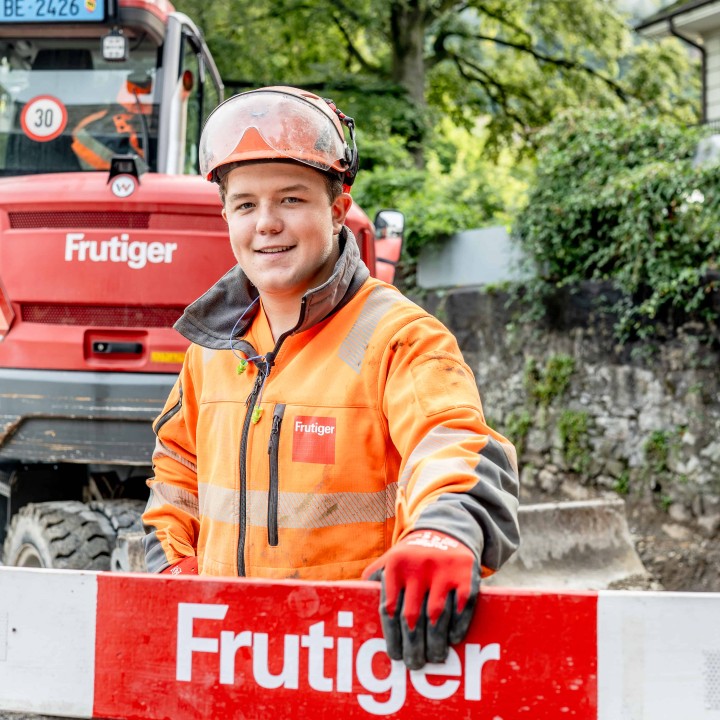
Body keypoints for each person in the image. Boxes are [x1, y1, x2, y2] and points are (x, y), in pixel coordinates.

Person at [142, 86, 520, 670]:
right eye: (244, 205)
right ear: (225, 216)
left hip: (354, 663)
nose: (266, 224)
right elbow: (176, 470)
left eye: (290, 199)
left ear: (338, 210)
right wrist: (173, 565)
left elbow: (452, 443)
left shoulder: (400, 337)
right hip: (226, 652)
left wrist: (443, 533)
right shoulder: (212, 351)